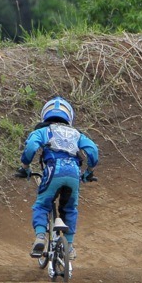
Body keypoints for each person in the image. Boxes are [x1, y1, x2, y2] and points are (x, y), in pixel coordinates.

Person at [16, 96, 99, 260]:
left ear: (45, 115)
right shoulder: (76, 134)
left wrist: (24, 167)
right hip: (74, 173)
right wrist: (89, 171)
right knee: (69, 209)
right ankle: (68, 246)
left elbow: (32, 146)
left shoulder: (43, 131)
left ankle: (40, 237)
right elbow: (93, 151)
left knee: (42, 205)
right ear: (69, 116)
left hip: (54, 169)